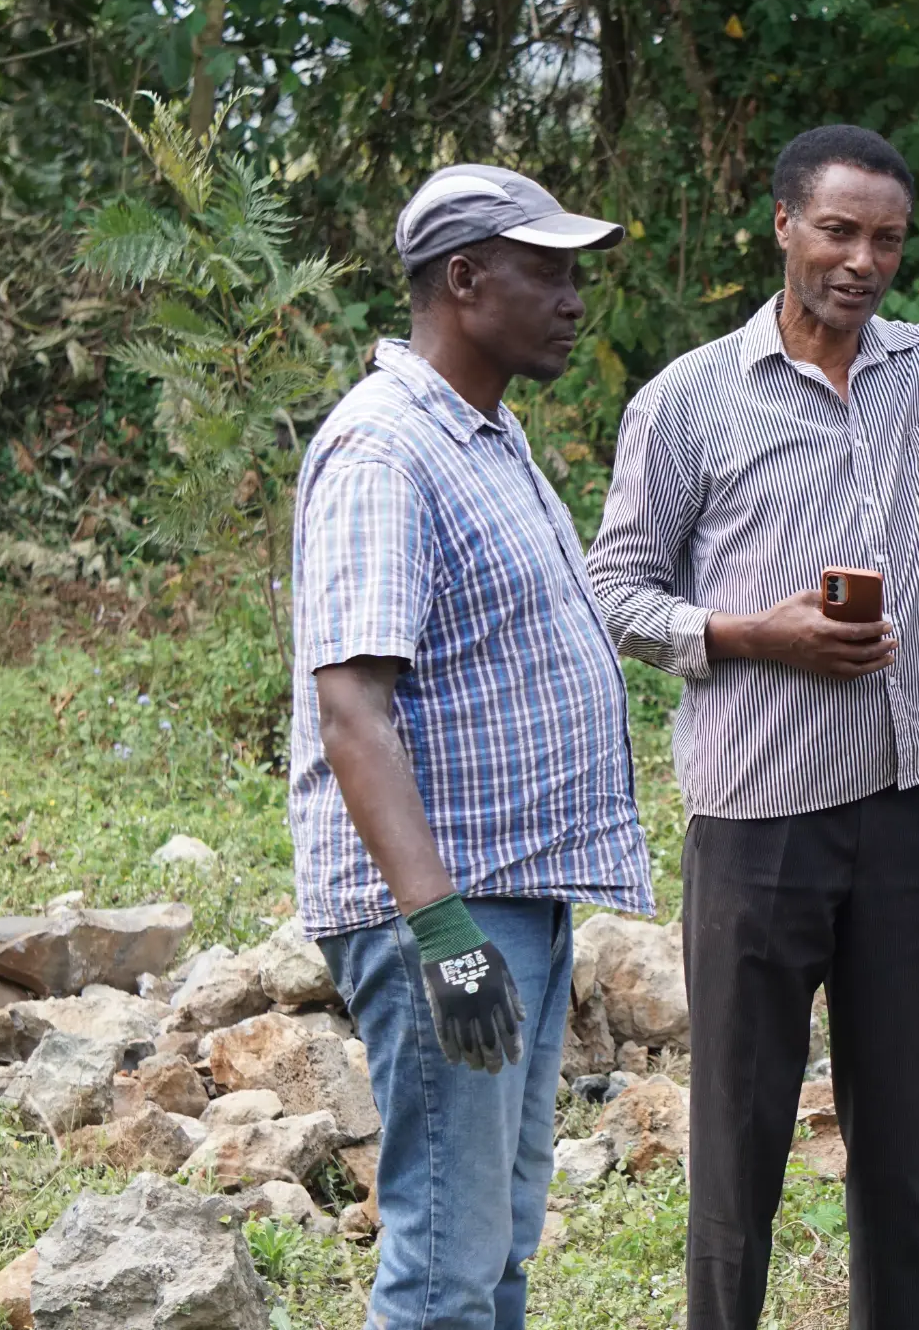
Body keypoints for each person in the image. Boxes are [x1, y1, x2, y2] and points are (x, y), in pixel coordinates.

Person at [586, 123, 919, 1330]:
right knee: (740, 1134)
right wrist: (755, 632)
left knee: (895, 1138)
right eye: (839, 232)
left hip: (907, 801)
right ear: (784, 227)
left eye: (886, 241)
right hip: (757, 815)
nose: (861, 261)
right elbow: (614, 593)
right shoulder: (690, 399)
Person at [288, 164, 653, 1330]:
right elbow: (352, 709)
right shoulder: (384, 450)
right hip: (443, 910)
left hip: (509, 891)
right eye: (545, 273)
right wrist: (443, 936)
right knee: (445, 1260)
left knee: (494, 1248)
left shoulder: (482, 436)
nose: (573, 300)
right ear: (462, 279)